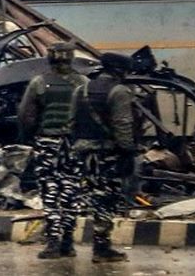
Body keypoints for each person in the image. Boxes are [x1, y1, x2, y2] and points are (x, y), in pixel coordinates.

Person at [18, 42, 88, 259]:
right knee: (71, 191)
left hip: (47, 142)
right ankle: (68, 241)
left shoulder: (39, 83)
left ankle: (53, 242)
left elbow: (26, 116)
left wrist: (31, 138)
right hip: (74, 144)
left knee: (50, 191)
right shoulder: (83, 83)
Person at [70, 52, 136, 264]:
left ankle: (66, 242)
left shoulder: (82, 89)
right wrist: (127, 152)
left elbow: (71, 121)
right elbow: (122, 124)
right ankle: (101, 248)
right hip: (107, 153)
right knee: (106, 199)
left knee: (86, 197)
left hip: (83, 151)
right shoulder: (120, 91)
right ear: (119, 71)